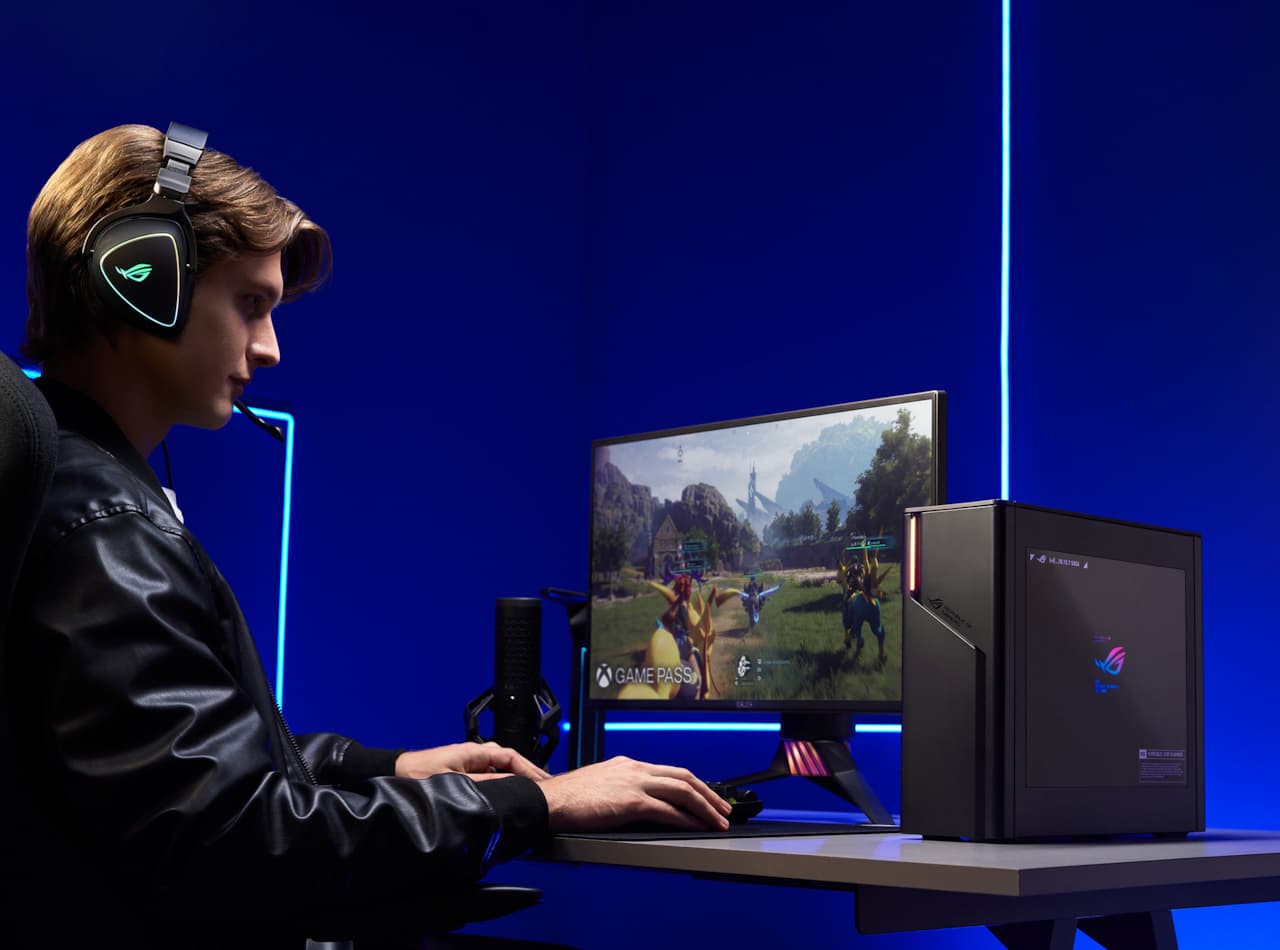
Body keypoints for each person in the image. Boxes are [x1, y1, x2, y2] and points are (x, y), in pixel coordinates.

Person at [7, 123, 730, 948]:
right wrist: (539, 802)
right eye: (250, 304)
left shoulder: (78, 491)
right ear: (140, 280)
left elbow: (188, 772)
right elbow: (238, 840)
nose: (271, 348)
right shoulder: (105, 528)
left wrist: (387, 767)